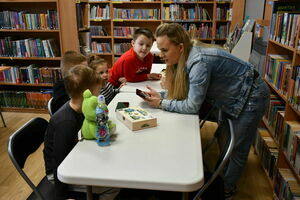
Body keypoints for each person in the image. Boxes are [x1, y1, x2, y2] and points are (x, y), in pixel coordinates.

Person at [143, 23, 270, 199]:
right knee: (225, 139)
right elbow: (188, 92)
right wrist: (162, 96)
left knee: (236, 148)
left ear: (180, 47)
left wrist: (162, 103)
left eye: (164, 50)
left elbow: (192, 106)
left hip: (251, 95)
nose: (160, 55)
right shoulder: (185, 54)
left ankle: (226, 190)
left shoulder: (198, 62)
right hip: (233, 95)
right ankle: (220, 180)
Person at [43, 65, 119, 200]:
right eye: (98, 89)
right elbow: (59, 163)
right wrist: (62, 196)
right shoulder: (66, 122)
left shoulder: (83, 108)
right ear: (88, 93)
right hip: (62, 175)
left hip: (77, 155)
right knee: (112, 186)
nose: (100, 92)